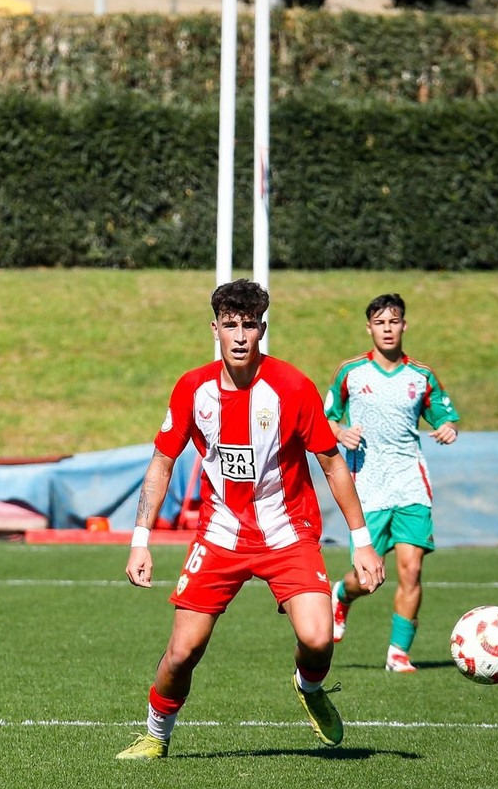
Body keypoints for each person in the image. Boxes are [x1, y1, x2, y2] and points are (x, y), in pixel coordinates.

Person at [117, 279, 385, 759]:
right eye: (230, 325)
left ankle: (309, 687)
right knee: (182, 653)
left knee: (318, 639)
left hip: (288, 533)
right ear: (214, 328)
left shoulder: (293, 387)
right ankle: (155, 735)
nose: (239, 336)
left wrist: (361, 541)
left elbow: (332, 464)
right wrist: (141, 539)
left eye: (249, 325)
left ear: (262, 328)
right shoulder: (192, 389)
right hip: (220, 535)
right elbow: (162, 461)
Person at [324, 294, 460, 672]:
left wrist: (448, 429)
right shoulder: (351, 372)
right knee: (369, 579)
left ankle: (398, 653)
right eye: (380, 323)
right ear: (369, 328)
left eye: (394, 321)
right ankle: (342, 594)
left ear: (404, 325)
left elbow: (444, 418)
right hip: (367, 485)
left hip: (410, 482)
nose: (387, 329)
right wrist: (341, 432)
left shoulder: (421, 375)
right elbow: (326, 419)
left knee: (411, 570)